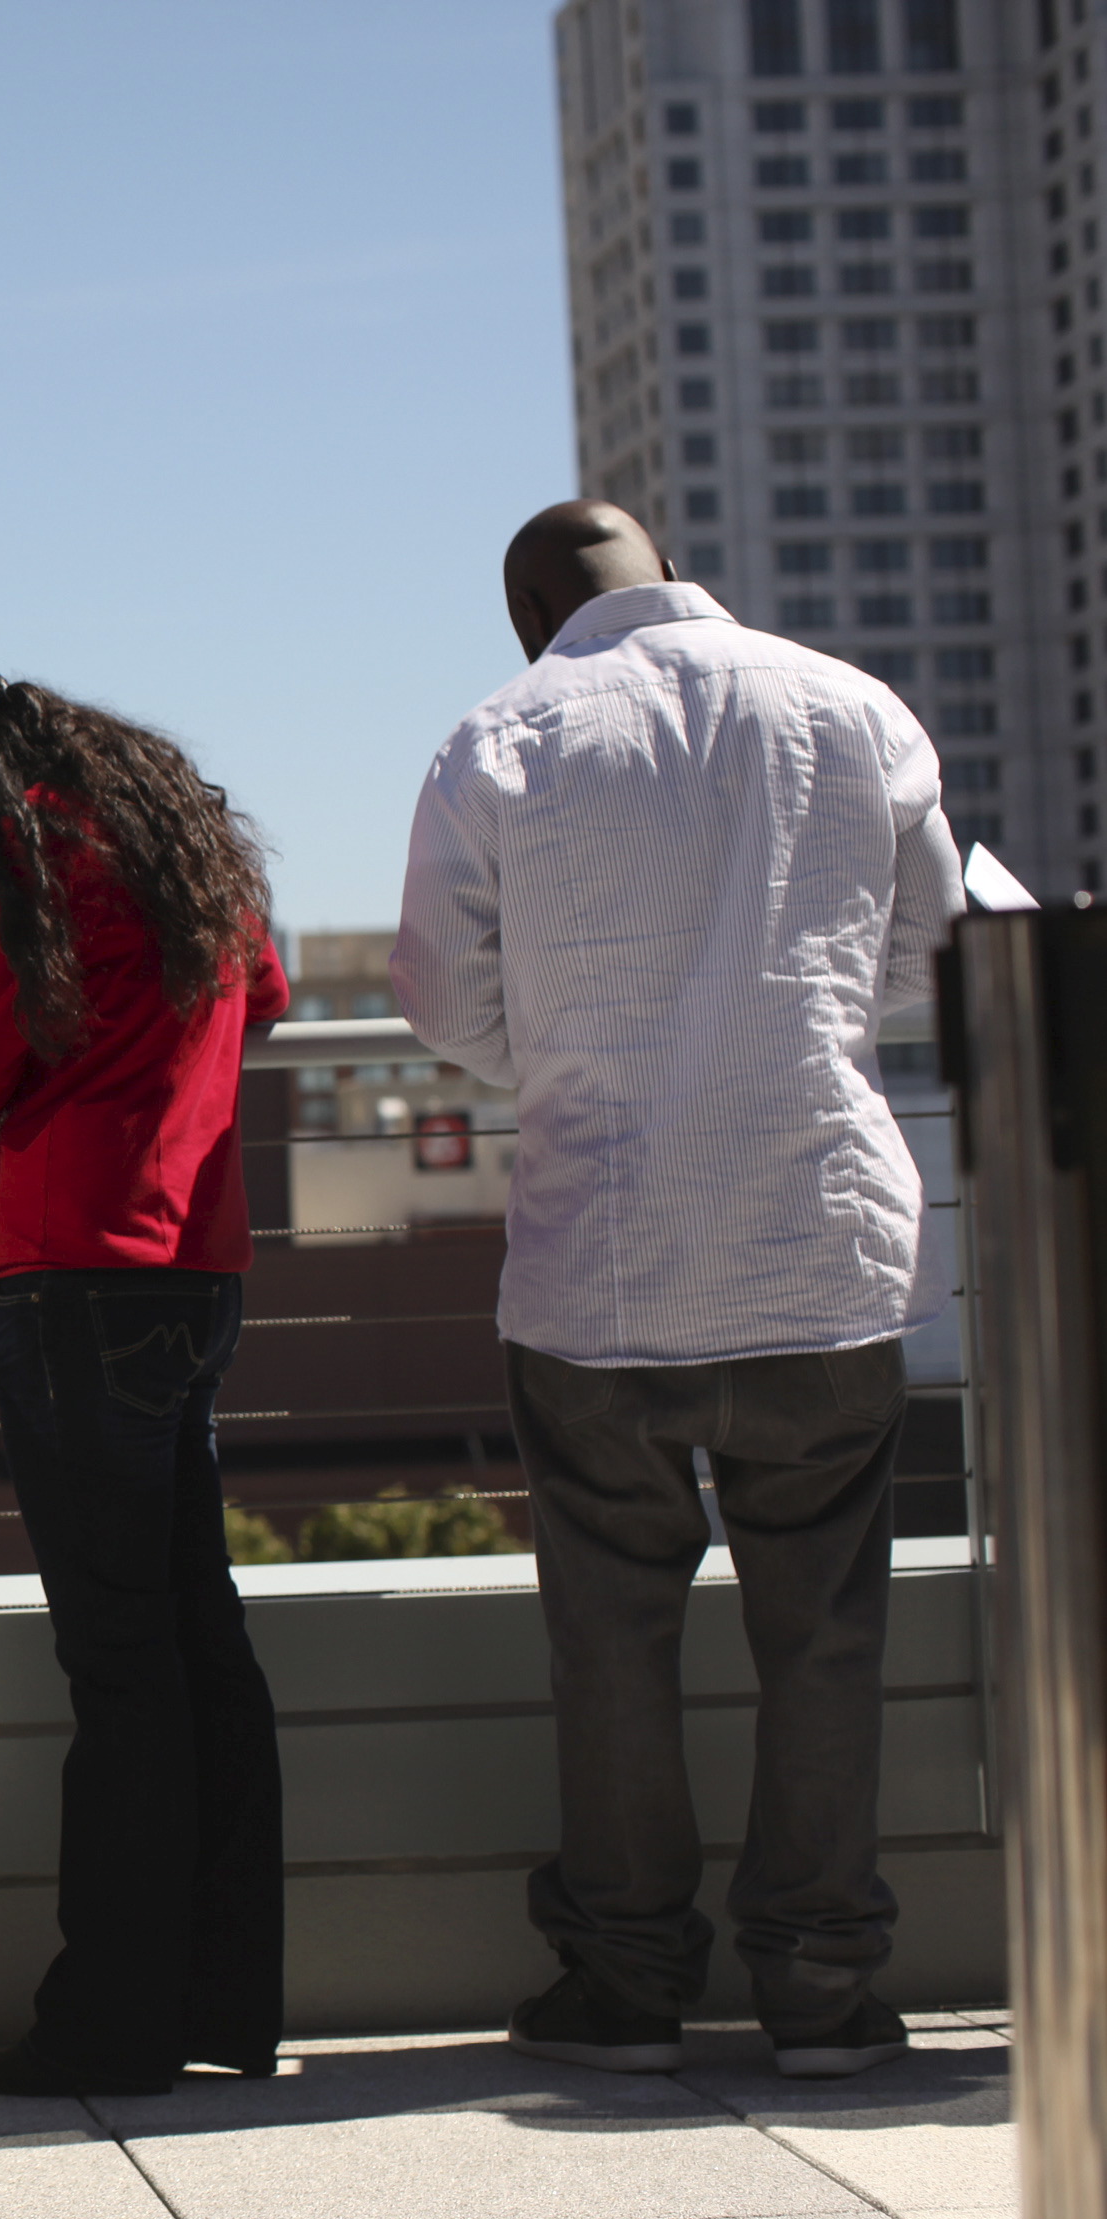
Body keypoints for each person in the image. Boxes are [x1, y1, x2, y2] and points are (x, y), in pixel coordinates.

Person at [395, 502, 965, 2081]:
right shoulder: (848, 704)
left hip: (605, 1264)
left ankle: (632, 1985)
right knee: (827, 1637)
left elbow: (442, 995)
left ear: (532, 614)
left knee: (613, 1642)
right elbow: (932, 946)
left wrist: (571, 1063)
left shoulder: (501, 735)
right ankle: (824, 1986)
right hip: (819, 1245)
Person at [0, 662, 292, 2097]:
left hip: (70, 1278)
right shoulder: (176, 833)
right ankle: (224, 1994)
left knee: (118, 1662)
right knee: (195, 1634)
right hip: (193, 1263)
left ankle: (108, 2018)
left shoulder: (33, 849)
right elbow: (270, 994)